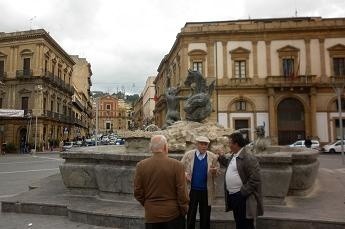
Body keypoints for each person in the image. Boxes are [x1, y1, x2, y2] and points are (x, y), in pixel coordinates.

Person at [134, 135, 189, 229]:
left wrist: (148, 204)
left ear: (151, 148)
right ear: (165, 147)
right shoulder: (177, 165)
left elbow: (137, 192)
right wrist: (184, 209)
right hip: (173, 214)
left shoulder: (141, 166)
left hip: (152, 215)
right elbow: (182, 192)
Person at [217, 132, 263, 229]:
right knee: (239, 222)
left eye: (230, 143)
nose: (229, 145)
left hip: (243, 197)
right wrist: (221, 157)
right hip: (234, 196)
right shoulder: (234, 155)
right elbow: (229, 164)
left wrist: (242, 192)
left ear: (236, 144)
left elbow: (255, 178)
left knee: (246, 224)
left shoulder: (248, 157)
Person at [181, 136, 220, 229]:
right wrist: (185, 174)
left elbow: (217, 172)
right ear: (197, 144)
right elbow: (179, 169)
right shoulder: (188, 155)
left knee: (205, 217)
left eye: (205, 144)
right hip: (192, 190)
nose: (204, 146)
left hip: (206, 191)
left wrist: (215, 171)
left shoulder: (212, 157)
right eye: (201, 144)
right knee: (191, 215)